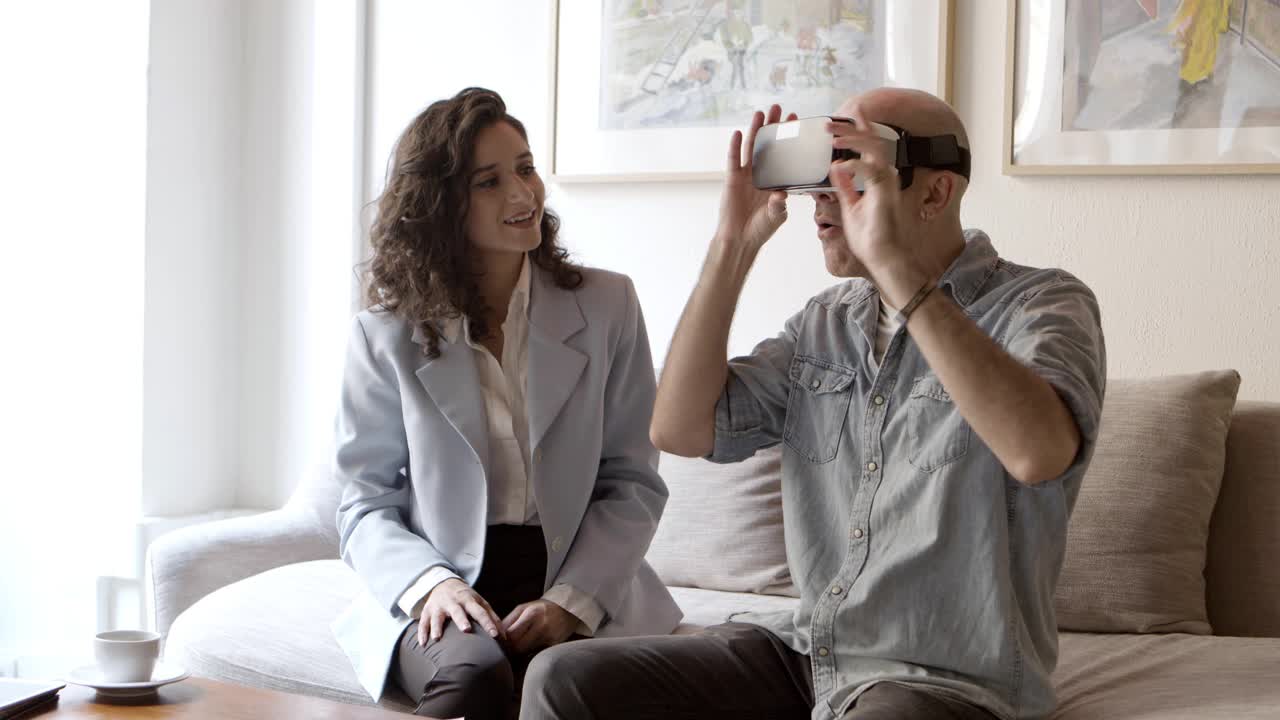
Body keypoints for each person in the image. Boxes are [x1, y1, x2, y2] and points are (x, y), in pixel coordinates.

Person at [520, 88, 1106, 719]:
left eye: (852, 175)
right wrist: (733, 244)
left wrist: (898, 272)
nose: (823, 201)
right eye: (820, 179)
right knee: (563, 678)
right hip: (810, 656)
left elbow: (1038, 452)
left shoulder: (1041, 304)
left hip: (943, 679)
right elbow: (679, 429)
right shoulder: (824, 325)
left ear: (935, 194)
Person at [331, 87, 681, 720]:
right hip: (446, 579)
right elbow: (365, 503)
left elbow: (632, 481)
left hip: (578, 572)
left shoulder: (608, 305)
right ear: (441, 204)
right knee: (472, 679)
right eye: (489, 182)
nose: (523, 195)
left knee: (572, 680)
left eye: (524, 167)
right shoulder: (383, 335)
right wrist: (431, 585)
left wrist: (571, 601)